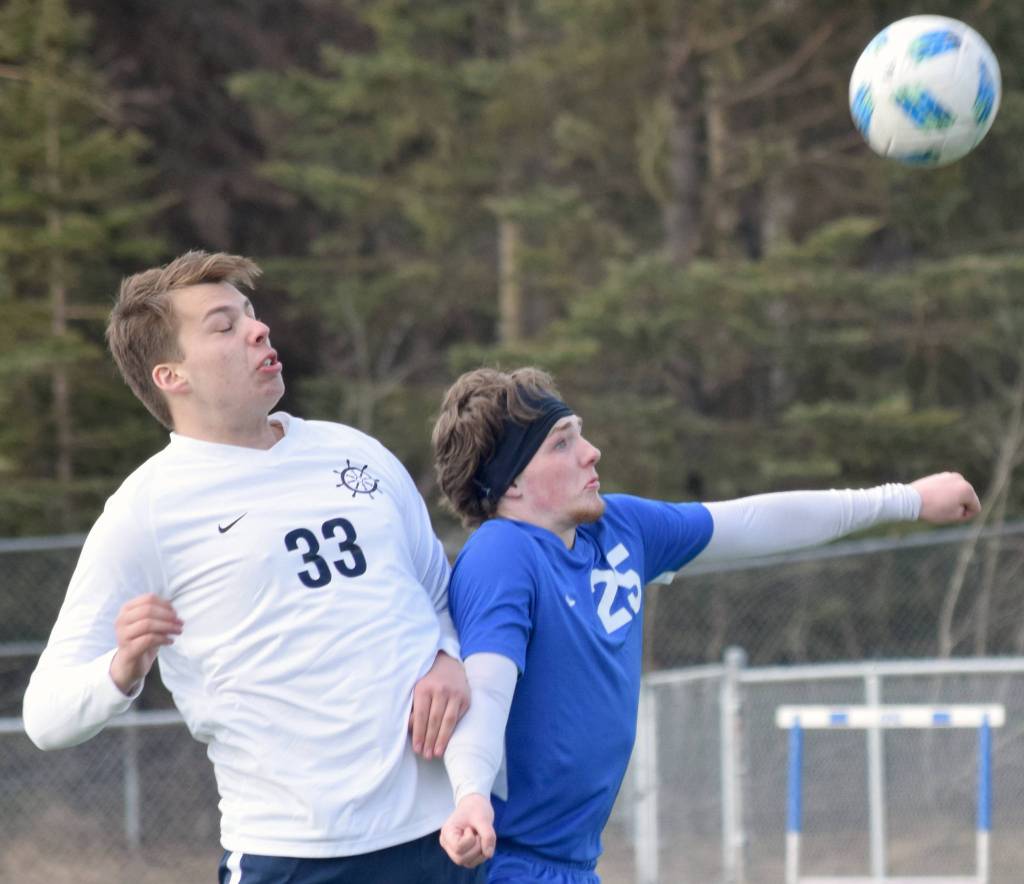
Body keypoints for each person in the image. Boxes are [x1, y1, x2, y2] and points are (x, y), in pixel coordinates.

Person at [22, 251, 484, 884]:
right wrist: (122, 668)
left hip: (444, 839)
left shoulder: (356, 454)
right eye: (222, 325)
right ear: (171, 376)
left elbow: (440, 599)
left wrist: (448, 657)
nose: (257, 330)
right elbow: (45, 718)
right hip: (293, 856)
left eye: (250, 314)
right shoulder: (145, 511)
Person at [429, 366, 982, 883]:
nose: (590, 452)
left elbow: (751, 520)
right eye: (562, 443)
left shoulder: (616, 529)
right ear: (513, 484)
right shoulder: (504, 553)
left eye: (580, 434)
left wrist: (906, 500)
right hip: (506, 862)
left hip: (571, 862)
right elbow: (486, 691)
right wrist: (472, 792)